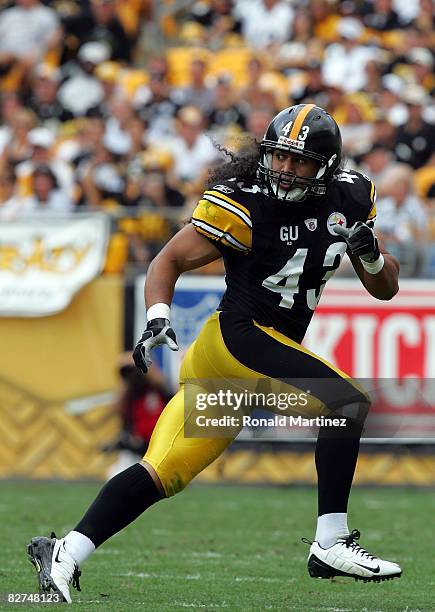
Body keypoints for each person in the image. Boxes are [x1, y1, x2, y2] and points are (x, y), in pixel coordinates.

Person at [27, 104, 402, 602]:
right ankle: (330, 542)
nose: (286, 169)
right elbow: (170, 259)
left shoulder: (350, 198)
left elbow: (385, 288)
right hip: (237, 339)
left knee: (163, 471)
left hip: (245, 362)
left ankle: (65, 552)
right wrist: (158, 314)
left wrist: (371, 253)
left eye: (300, 161)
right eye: (279, 158)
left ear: (326, 167)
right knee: (346, 402)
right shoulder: (244, 202)